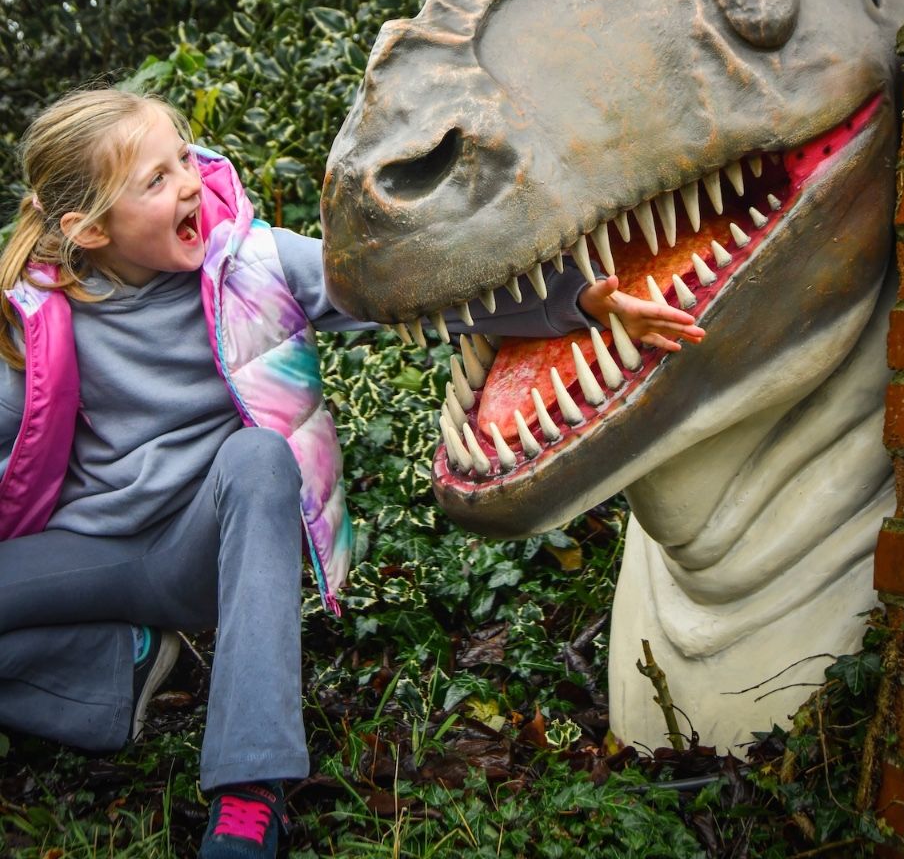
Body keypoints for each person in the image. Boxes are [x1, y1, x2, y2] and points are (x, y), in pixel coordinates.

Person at [0, 87, 703, 857]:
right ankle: (115, 672)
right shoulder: (32, 315)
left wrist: (576, 297)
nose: (191, 183)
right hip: (95, 550)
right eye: (157, 180)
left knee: (259, 457)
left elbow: (410, 288)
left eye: (183, 160)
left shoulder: (255, 265)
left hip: (205, 544)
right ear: (89, 229)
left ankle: (248, 793)